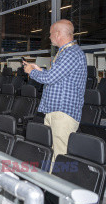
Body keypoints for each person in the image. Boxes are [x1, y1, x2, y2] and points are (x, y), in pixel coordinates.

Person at [23, 20, 87, 165]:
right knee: (52, 155)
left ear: (58, 34)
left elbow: (51, 78)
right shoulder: (65, 52)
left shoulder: (71, 53)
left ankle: (59, 186)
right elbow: (57, 78)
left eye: (51, 34)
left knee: (60, 157)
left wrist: (32, 72)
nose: (50, 37)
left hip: (63, 113)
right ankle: (50, 185)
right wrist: (39, 70)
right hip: (55, 111)